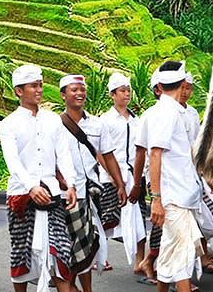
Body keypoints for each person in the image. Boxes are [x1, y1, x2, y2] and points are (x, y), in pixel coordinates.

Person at [0, 64, 77, 292]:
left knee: (61, 252)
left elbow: (63, 154)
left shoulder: (53, 120)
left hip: (52, 194)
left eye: (41, 85)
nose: (39, 90)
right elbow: (13, 161)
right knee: (21, 252)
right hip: (21, 196)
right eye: (34, 86)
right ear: (18, 91)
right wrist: (32, 187)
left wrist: (70, 184)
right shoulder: (9, 124)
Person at [58, 74, 126, 292]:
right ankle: (67, 285)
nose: (79, 93)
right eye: (74, 90)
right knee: (67, 245)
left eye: (82, 89)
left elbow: (107, 156)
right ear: (63, 95)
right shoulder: (55, 125)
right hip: (65, 195)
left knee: (86, 246)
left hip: (91, 193)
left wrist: (120, 184)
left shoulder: (98, 124)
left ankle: (85, 289)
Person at [145, 61, 204, 292]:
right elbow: (155, 154)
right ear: (181, 85)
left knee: (171, 251)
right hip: (174, 197)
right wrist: (157, 199)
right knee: (181, 256)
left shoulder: (171, 111)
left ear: (160, 85)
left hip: (180, 195)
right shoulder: (167, 113)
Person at [100, 72, 147, 271]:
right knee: (109, 217)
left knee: (140, 217)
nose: (126, 94)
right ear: (112, 94)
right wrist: (112, 176)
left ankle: (140, 261)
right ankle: (99, 254)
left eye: (128, 90)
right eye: (122, 91)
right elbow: (101, 152)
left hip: (135, 175)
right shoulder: (106, 120)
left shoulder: (137, 120)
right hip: (112, 177)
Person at [181, 72, 213, 274]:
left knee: (203, 218)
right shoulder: (162, 114)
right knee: (185, 225)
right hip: (177, 179)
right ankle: (193, 264)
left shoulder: (191, 113)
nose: (186, 92)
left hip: (195, 175)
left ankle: (201, 257)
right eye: (182, 87)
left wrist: (207, 174)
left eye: (189, 87)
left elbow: (198, 146)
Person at [131, 68, 162, 286]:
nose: (185, 91)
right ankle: (152, 263)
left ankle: (157, 266)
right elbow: (142, 153)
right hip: (159, 180)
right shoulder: (150, 116)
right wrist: (137, 184)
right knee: (163, 225)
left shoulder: (187, 114)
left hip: (187, 182)